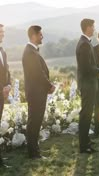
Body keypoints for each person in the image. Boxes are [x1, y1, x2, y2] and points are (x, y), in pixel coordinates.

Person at [22, 25, 55, 159]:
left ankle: (34, 151)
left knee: (35, 122)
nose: (42, 37)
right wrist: (49, 86)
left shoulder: (32, 50)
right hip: (36, 93)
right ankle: (34, 153)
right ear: (34, 36)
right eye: (40, 34)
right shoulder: (30, 52)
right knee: (34, 122)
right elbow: (38, 74)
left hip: (37, 92)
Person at [76, 19, 99, 153]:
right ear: (88, 28)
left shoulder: (85, 42)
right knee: (86, 115)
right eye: (93, 26)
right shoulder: (84, 44)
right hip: (88, 85)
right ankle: (83, 146)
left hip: (89, 84)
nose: (94, 29)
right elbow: (86, 67)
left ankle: (86, 141)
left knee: (87, 114)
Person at [0, 24, 11, 168]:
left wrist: (8, 85)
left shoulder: (3, 52)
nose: (2, 34)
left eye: (3, 32)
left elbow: (6, 71)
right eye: (0, 32)